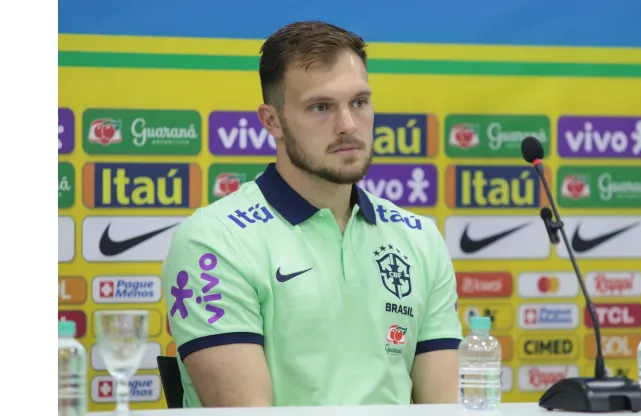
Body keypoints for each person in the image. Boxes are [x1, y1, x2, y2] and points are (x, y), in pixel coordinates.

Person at [163, 20, 463, 408]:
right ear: (272, 121)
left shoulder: (420, 238)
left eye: (359, 102)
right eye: (321, 107)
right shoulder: (215, 239)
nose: (348, 126)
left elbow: (442, 406)